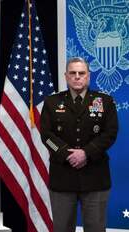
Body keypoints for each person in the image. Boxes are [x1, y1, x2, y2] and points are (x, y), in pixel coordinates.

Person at [40, 57, 118, 232]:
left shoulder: (105, 102)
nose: (77, 77)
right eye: (73, 73)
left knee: (96, 229)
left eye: (81, 73)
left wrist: (86, 153)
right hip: (62, 178)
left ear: (88, 77)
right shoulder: (52, 102)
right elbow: (46, 136)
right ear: (66, 76)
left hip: (95, 177)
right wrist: (66, 154)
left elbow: (110, 134)